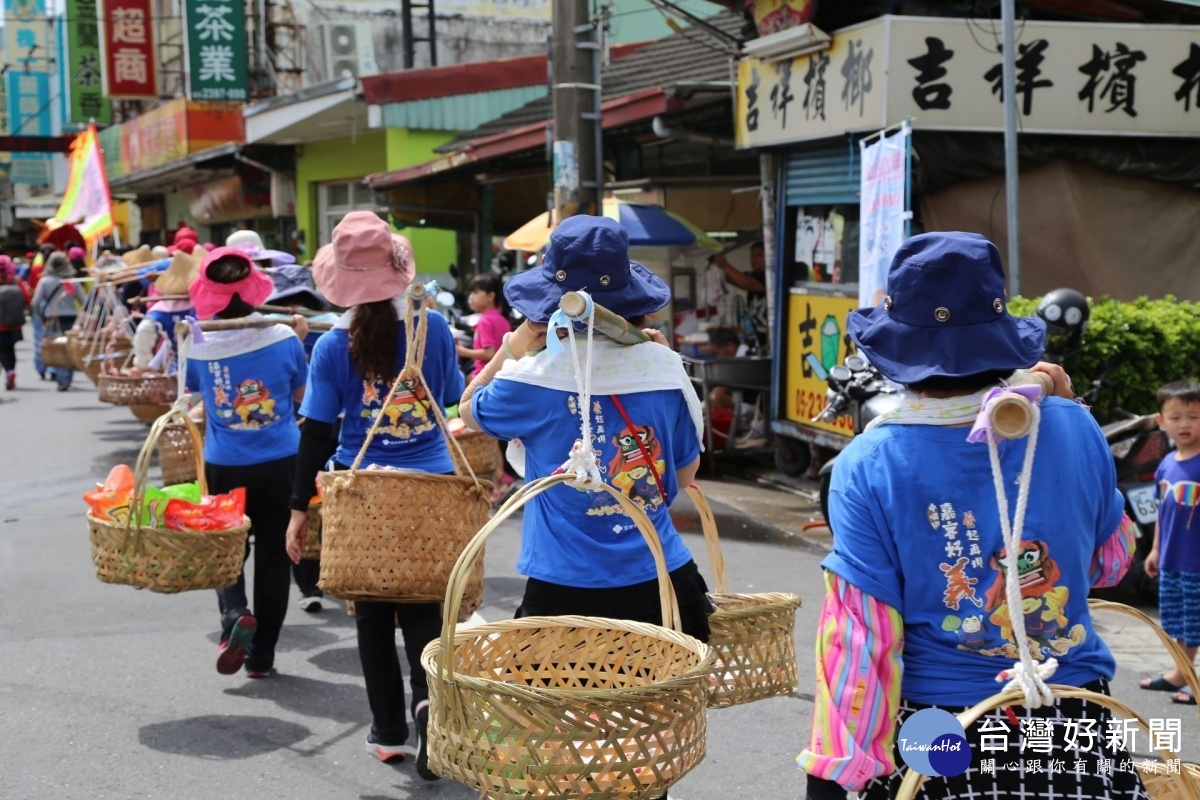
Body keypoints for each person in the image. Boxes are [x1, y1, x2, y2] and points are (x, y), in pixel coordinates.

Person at [797, 232, 1144, 800]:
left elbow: (862, 639)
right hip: (1072, 719)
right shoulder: (1074, 426)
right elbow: (1109, 564)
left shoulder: (868, 462)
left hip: (939, 723)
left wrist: (833, 776)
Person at [459, 218, 713, 738]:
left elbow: (469, 409)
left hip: (562, 589)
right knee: (647, 745)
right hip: (662, 580)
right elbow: (684, 473)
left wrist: (512, 346)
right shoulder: (664, 371)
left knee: (558, 747)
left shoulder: (532, 380)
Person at [283, 211, 462, 779]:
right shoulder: (433, 330)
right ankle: (430, 707)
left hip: (361, 494)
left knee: (370, 614)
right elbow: (454, 403)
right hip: (429, 486)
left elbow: (315, 431)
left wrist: (296, 512)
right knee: (424, 610)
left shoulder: (332, 347)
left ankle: (388, 731)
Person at [184, 246, 309, 680]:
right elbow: (299, 398)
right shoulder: (285, 337)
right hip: (281, 463)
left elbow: (192, 400)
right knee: (275, 559)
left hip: (225, 465)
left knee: (228, 549)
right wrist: (300, 335)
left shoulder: (197, 343)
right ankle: (261, 658)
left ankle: (235, 612)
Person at [1140, 380, 1200, 706]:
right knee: (1178, 618)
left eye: (1193, 416)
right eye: (1175, 417)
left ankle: (1191, 680)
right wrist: (1154, 549)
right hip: (1173, 559)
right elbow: (1163, 513)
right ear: (1161, 421)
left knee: (1197, 621)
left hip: (1196, 561)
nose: (1184, 424)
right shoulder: (1167, 463)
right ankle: (1182, 673)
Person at [454, 273, 515, 502]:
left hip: (485, 381)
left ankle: (499, 479)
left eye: (476, 292)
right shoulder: (501, 319)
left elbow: (489, 354)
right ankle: (501, 477)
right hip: (503, 379)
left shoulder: (487, 320)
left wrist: (462, 352)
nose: (471, 297)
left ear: (491, 296)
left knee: (487, 434)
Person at [31, 253, 80, 390]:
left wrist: (40, 317)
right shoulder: (71, 280)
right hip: (71, 317)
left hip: (51, 318)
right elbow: (84, 300)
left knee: (56, 348)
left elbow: (36, 302)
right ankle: (66, 377)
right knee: (68, 348)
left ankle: (62, 377)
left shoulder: (45, 281)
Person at [712, 241, 767, 348]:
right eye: (753, 255)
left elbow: (747, 283)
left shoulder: (771, 277)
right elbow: (735, 279)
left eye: (759, 255)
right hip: (757, 337)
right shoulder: (753, 275)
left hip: (771, 336)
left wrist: (724, 264)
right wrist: (717, 269)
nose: (754, 259)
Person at [0, 256, 29, 390]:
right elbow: (26, 298)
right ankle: (11, 369)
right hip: (14, 322)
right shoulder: (16, 280)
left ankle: (8, 371)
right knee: (11, 348)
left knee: (2, 350)